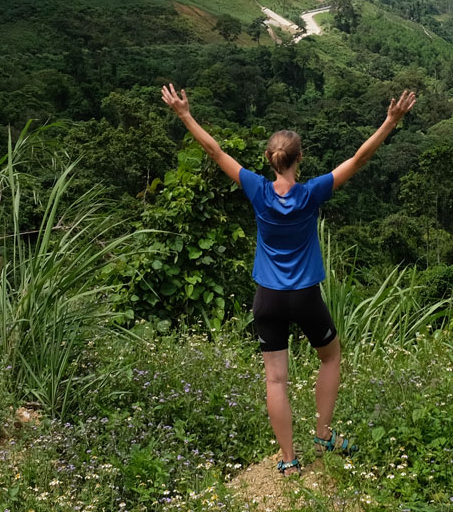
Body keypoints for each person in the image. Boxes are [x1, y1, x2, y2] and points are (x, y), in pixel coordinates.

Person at [161, 83, 417, 475]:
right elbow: (359, 158)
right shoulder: (312, 193)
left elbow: (214, 151)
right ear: (301, 158)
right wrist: (390, 121)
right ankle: (323, 434)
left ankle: (287, 460)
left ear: (268, 158)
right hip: (305, 297)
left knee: (275, 380)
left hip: (268, 299)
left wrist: (184, 114)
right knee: (331, 357)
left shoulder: (257, 190)